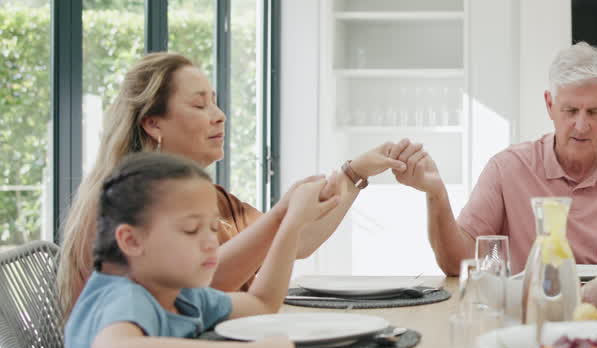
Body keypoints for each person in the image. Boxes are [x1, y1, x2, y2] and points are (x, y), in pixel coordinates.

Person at [57, 52, 409, 313]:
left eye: (215, 102)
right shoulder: (124, 205)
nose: (219, 116)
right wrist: (284, 215)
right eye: (199, 106)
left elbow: (295, 242)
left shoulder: (208, 197)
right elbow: (198, 285)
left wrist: (354, 173)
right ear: (153, 124)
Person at [393, 42, 597, 274]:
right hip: (534, 316)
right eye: (570, 111)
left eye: (594, 111)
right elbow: (457, 263)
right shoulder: (507, 169)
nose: (582, 125)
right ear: (549, 104)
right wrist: (436, 194)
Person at [63, 152, 329, 348]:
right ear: (131, 241)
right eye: (191, 229)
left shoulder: (180, 294)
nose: (211, 242)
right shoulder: (122, 295)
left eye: (213, 228)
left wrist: (289, 222)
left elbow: (262, 303)